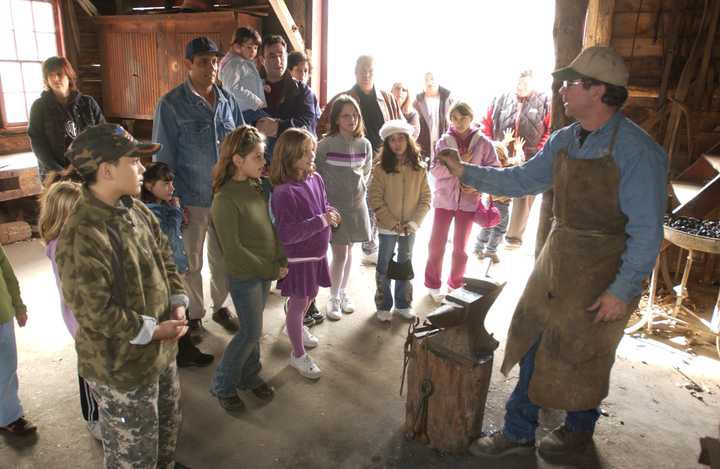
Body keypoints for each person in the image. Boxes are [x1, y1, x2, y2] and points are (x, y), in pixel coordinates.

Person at [438, 46, 667, 459]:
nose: (561, 88)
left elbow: (648, 231)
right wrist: (466, 172)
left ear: (598, 91)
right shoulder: (564, 140)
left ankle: (578, 432)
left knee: (585, 351)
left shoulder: (637, 152)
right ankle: (519, 428)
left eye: (572, 82)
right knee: (531, 336)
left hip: (603, 266)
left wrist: (622, 289)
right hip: (557, 258)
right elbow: (523, 179)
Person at [56, 123, 190, 468]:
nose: (142, 168)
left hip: (160, 353)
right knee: (134, 456)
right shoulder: (82, 233)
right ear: (106, 170)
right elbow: (94, 311)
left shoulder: (136, 209)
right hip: (121, 368)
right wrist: (152, 330)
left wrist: (177, 303)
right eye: (133, 161)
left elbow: (165, 258)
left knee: (165, 436)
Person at [153, 36, 246, 338]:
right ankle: (194, 317)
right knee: (190, 262)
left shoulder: (228, 101)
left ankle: (222, 306)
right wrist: (171, 198)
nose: (211, 67)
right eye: (204, 61)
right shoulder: (171, 105)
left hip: (225, 195)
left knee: (224, 257)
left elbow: (242, 142)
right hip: (190, 196)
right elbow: (163, 156)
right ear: (188, 65)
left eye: (215, 61)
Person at [209, 126, 287, 411]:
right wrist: (269, 269)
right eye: (257, 157)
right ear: (238, 160)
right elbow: (234, 250)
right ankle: (222, 384)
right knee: (250, 332)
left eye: (262, 156)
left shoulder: (256, 187)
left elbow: (270, 227)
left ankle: (248, 375)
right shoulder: (224, 199)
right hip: (245, 275)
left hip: (265, 270)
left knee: (254, 328)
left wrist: (280, 257)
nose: (263, 162)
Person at [317, 55, 404, 265]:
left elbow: (401, 127)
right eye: (362, 70)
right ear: (355, 72)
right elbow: (321, 127)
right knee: (353, 203)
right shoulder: (344, 98)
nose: (366, 74)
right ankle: (346, 246)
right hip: (349, 164)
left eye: (370, 70)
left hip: (381, 162)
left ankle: (369, 245)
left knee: (375, 204)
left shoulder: (387, 98)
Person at [270, 128, 339, 380]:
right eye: (305, 153)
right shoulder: (283, 193)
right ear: (288, 156)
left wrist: (330, 212)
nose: (312, 156)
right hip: (299, 259)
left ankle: (295, 328)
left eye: (312, 150)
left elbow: (323, 205)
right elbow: (287, 234)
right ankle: (297, 354)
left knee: (311, 295)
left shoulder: (316, 178)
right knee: (299, 303)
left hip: (318, 255)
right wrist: (322, 220)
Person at [39, 180, 101, 439]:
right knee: (90, 370)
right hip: (82, 322)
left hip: (94, 319)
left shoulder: (80, 238)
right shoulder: (61, 247)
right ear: (64, 215)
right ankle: (93, 418)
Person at [141, 162, 214, 368]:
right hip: (164, 274)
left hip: (174, 270)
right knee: (174, 312)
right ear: (148, 185)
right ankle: (183, 353)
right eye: (165, 183)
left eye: (172, 182)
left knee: (181, 309)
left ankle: (183, 348)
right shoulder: (151, 212)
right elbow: (169, 234)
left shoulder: (163, 206)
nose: (171, 187)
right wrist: (176, 210)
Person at [424, 102, 499, 302]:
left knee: (461, 248)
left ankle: (455, 284)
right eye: (454, 118)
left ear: (471, 117)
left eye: (463, 117)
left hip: (468, 202)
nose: (459, 122)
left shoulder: (483, 143)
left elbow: (494, 170)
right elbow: (434, 170)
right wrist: (455, 166)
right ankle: (433, 284)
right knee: (436, 244)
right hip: (444, 200)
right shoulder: (443, 142)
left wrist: (476, 185)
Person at [315, 95, 373, 321]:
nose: (352, 120)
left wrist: (358, 194)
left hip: (357, 206)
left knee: (350, 252)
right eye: (346, 115)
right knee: (339, 253)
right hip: (335, 208)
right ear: (336, 119)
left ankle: (343, 291)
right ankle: (333, 297)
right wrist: (325, 205)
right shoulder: (326, 145)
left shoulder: (365, 144)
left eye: (355, 115)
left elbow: (366, 172)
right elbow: (317, 175)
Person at [368, 120, 431, 322]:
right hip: (388, 228)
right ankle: (384, 304)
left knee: (405, 263)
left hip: (410, 229)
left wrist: (413, 223)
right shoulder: (380, 169)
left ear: (409, 140)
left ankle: (403, 303)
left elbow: (426, 199)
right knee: (384, 265)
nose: (397, 143)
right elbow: (374, 199)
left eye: (401, 138)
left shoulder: (420, 169)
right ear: (387, 144)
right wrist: (393, 223)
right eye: (392, 140)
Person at [481, 69, 551, 248]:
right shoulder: (501, 100)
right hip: (500, 158)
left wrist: (539, 151)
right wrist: (492, 147)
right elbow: (486, 124)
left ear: (533, 84)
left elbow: (550, 129)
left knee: (524, 198)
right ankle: (489, 234)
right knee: (496, 198)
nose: (520, 87)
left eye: (525, 84)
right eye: (519, 83)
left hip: (529, 159)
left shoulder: (545, 102)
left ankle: (513, 238)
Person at [28, 56, 105, 181]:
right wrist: (60, 170)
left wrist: (86, 164)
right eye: (50, 75)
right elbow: (37, 143)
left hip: (87, 170)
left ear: (69, 76)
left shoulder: (88, 103)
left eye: (59, 74)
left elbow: (102, 135)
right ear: (46, 79)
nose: (55, 79)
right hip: (53, 173)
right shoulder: (39, 107)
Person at [251, 35, 318, 161]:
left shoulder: (303, 91)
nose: (278, 61)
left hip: (293, 161)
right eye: (271, 56)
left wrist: (279, 127)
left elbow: (308, 125)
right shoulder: (251, 91)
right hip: (260, 163)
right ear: (262, 59)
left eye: (280, 55)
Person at [0, 246, 36, 437]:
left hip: (2, 315)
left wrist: (18, 305)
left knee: (6, 370)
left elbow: (7, 273)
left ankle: (9, 417)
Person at [474, 141, 516, 262]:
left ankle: (478, 247)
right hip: (502, 205)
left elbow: (496, 149)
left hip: (490, 202)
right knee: (499, 229)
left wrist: (505, 142)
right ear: (504, 155)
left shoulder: (489, 169)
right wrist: (518, 149)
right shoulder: (508, 168)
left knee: (487, 226)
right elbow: (519, 161)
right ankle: (491, 251)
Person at [219, 26, 266, 113]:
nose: (253, 51)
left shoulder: (244, 62)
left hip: (250, 107)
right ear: (237, 47)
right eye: (249, 47)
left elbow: (247, 82)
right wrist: (255, 100)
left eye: (255, 48)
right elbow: (232, 87)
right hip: (243, 110)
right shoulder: (234, 64)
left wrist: (262, 86)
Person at [414, 72, 453, 161]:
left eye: (432, 79)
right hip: (423, 148)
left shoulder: (448, 100)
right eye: (426, 80)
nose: (429, 82)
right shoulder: (416, 102)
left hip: (444, 147)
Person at [287, 50, 321, 125]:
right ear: (289, 71)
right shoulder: (285, 92)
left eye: (305, 71)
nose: (302, 76)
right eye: (298, 70)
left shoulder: (311, 94)